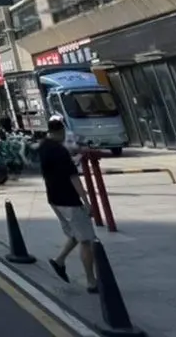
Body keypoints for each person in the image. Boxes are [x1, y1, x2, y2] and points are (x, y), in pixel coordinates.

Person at [38, 116, 97, 292]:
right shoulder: (60, 151)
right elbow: (73, 178)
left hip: (54, 199)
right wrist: (86, 201)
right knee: (86, 239)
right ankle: (91, 281)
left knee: (74, 233)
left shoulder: (43, 147)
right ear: (60, 131)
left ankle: (59, 261)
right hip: (69, 200)